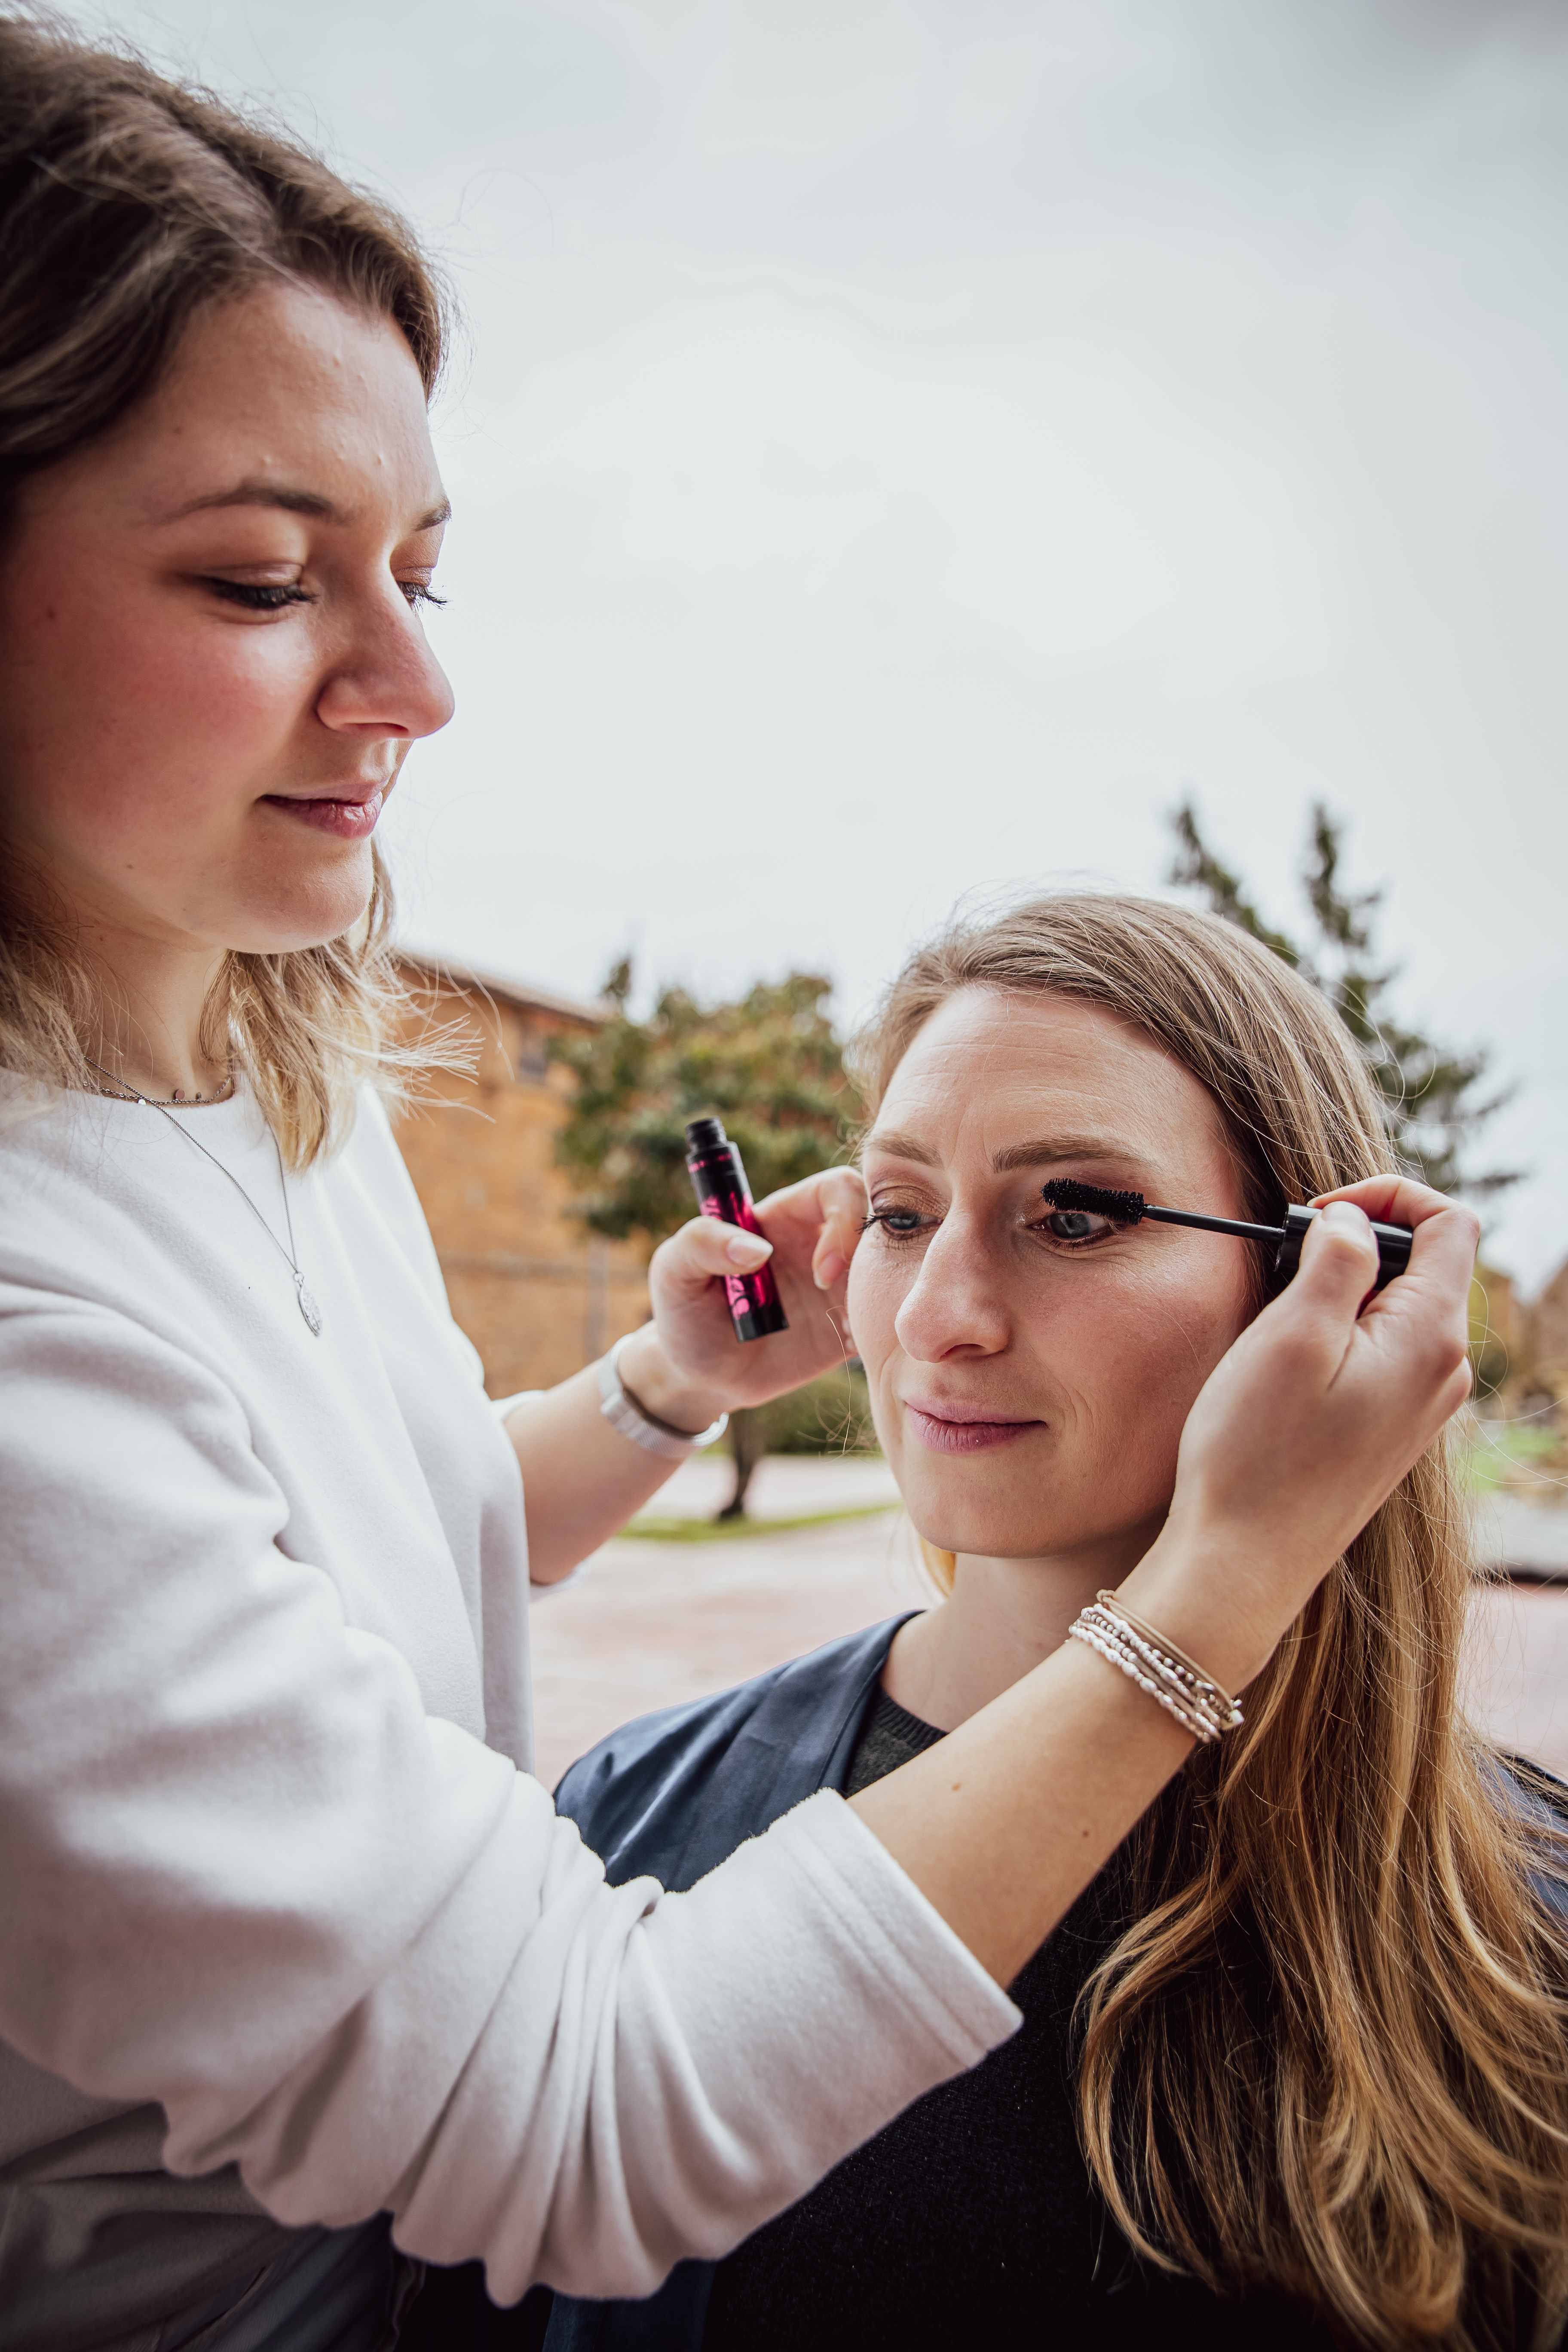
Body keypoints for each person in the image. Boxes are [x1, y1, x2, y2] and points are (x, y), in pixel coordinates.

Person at [0, 21, 1479, 2352]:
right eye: (266, 580)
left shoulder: (266, 1078)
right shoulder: (649, 1802)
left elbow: (281, 1575)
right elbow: (591, 2116)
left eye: (422, 568)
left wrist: (661, 1392)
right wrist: (1228, 1576)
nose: (418, 686)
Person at [541, 895, 1568, 2352]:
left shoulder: (1528, 1925)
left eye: (1075, 1212)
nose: (937, 1316)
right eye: (899, 1215)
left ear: (1321, 1285)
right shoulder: (635, 1820)